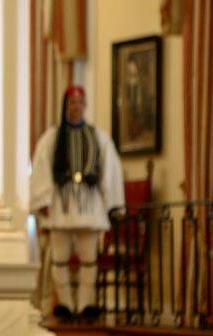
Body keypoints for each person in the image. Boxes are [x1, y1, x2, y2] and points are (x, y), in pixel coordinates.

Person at [30, 86, 125, 322]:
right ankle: (65, 304)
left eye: (80, 102)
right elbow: (41, 166)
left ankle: (85, 304)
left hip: (89, 206)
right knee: (60, 258)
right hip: (61, 205)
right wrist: (42, 199)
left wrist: (113, 203)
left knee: (88, 258)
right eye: (72, 102)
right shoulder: (53, 137)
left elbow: (110, 169)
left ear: (85, 105)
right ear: (66, 105)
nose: (76, 107)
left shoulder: (97, 136)